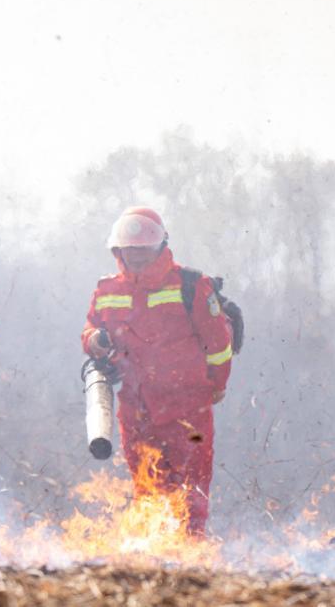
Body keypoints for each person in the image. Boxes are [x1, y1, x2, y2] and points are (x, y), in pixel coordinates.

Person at [81, 207, 233, 538]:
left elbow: (218, 344)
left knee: (192, 493)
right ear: (117, 250)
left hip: (188, 408)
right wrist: (94, 340)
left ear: (160, 247)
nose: (135, 257)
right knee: (148, 492)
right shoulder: (107, 290)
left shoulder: (191, 285)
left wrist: (217, 385)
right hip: (137, 409)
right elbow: (90, 330)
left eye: (142, 250)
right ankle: (154, 563)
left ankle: (190, 561)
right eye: (129, 250)